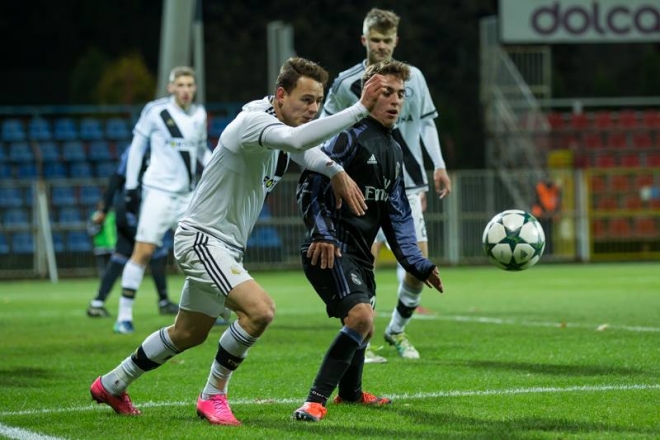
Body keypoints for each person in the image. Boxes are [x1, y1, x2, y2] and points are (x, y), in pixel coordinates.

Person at [89, 56, 387, 426]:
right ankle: (212, 396)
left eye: (317, 101)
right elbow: (296, 140)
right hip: (202, 239)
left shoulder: (279, 122)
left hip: (222, 245)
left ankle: (111, 384)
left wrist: (335, 169)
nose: (313, 109)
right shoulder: (252, 123)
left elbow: (303, 149)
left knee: (187, 333)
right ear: (280, 95)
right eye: (306, 100)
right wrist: (360, 109)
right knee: (259, 311)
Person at [293, 60, 444, 423]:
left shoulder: (392, 151)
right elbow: (308, 184)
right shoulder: (348, 137)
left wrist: (418, 263)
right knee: (361, 318)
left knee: (364, 320)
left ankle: (352, 393)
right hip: (330, 249)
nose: (394, 101)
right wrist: (324, 233)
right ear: (367, 93)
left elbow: (398, 215)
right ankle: (314, 401)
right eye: (386, 92)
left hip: (359, 254)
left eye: (400, 94)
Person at [320, 8, 452, 362]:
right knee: (365, 262)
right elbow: (325, 127)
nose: (380, 46)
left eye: (387, 40)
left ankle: (395, 329)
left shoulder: (415, 79)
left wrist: (438, 165)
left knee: (416, 263)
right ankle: (360, 339)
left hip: (406, 183)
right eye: (375, 40)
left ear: (396, 41)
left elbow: (425, 123)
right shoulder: (347, 83)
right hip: (360, 186)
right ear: (364, 40)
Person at [114, 66, 212, 334]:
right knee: (143, 252)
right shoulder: (155, 111)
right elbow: (137, 148)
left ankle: (211, 310)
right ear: (170, 88)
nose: (186, 90)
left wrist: (218, 171)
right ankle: (123, 316)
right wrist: (132, 187)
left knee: (201, 252)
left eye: (190, 85)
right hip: (158, 192)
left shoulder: (199, 113)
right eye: (180, 85)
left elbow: (202, 150)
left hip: (187, 197)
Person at [86, 147, 175, 318]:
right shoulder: (137, 149)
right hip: (131, 211)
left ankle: (97, 303)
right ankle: (163, 302)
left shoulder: (154, 148)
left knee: (120, 257)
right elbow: (116, 179)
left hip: (133, 211)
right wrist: (104, 209)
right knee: (156, 250)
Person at [87, 201, 116, 279]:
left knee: (113, 265)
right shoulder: (95, 216)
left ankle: (112, 279)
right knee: (102, 267)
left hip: (111, 245)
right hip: (100, 245)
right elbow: (90, 231)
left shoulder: (112, 216)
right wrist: (98, 226)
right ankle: (104, 280)